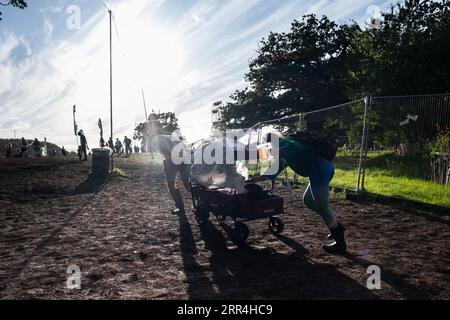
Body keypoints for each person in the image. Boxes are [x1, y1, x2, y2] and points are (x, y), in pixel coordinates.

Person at [255, 132, 346, 255]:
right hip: (319, 170)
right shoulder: (284, 150)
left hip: (320, 169)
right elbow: (275, 169)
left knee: (322, 207)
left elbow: (291, 148)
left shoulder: (286, 143)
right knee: (308, 200)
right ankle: (336, 226)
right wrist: (257, 178)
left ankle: (340, 243)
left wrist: (261, 152)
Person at [151, 135, 191, 214]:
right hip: (184, 158)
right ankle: (200, 203)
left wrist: (168, 160)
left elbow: (165, 152)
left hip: (172, 160)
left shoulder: (156, 139)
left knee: (171, 184)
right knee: (187, 183)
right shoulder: (170, 137)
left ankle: (179, 207)